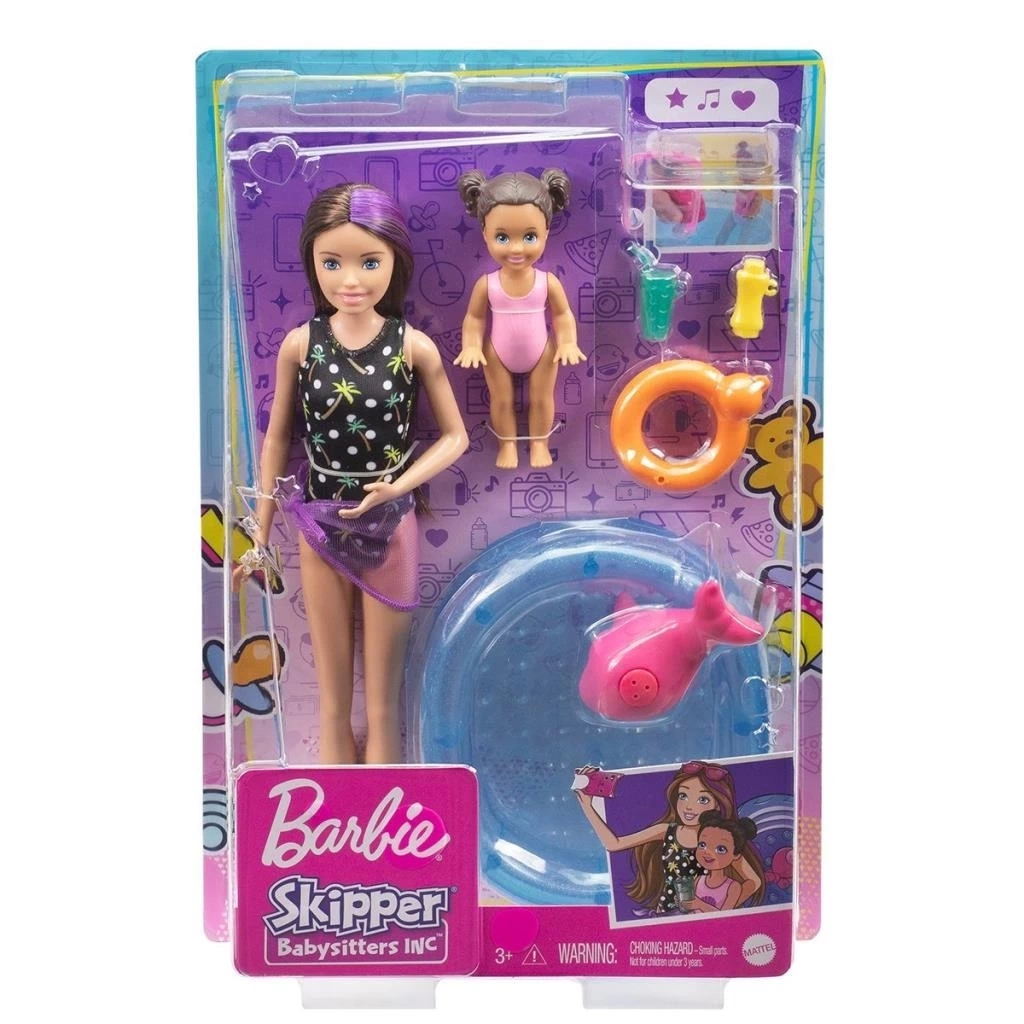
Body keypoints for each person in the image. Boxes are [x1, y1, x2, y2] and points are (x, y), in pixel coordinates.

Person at [235, 183, 468, 765]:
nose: (351, 280)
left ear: (395, 261)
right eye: (332, 262)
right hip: (319, 523)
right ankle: (339, 811)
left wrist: (400, 485)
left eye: (369, 262)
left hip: (390, 524)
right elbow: (278, 439)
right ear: (313, 263)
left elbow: (456, 436)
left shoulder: (413, 347)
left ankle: (385, 805)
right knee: (334, 702)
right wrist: (260, 531)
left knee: (384, 705)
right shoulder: (301, 345)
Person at [454, 169, 585, 469]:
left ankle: (540, 444)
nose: (516, 248)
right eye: (502, 237)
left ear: (546, 232)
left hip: (543, 352)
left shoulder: (547, 281)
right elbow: (474, 318)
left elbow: (562, 314)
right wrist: (471, 346)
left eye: (529, 237)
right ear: (485, 233)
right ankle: (507, 445)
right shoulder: (487, 284)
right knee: (501, 401)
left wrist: (567, 343)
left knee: (542, 399)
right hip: (496, 353)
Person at [575, 760, 763, 914]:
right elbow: (614, 844)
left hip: (703, 917)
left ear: (717, 804)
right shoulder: (667, 831)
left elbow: (753, 882)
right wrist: (587, 806)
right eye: (683, 796)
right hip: (667, 915)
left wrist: (723, 908)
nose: (689, 806)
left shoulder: (719, 840)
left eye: (703, 799)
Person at [684, 811, 763, 912]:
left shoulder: (733, 887)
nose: (707, 852)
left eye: (721, 849)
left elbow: (724, 915)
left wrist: (700, 905)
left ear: (736, 855)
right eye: (702, 845)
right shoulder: (699, 880)